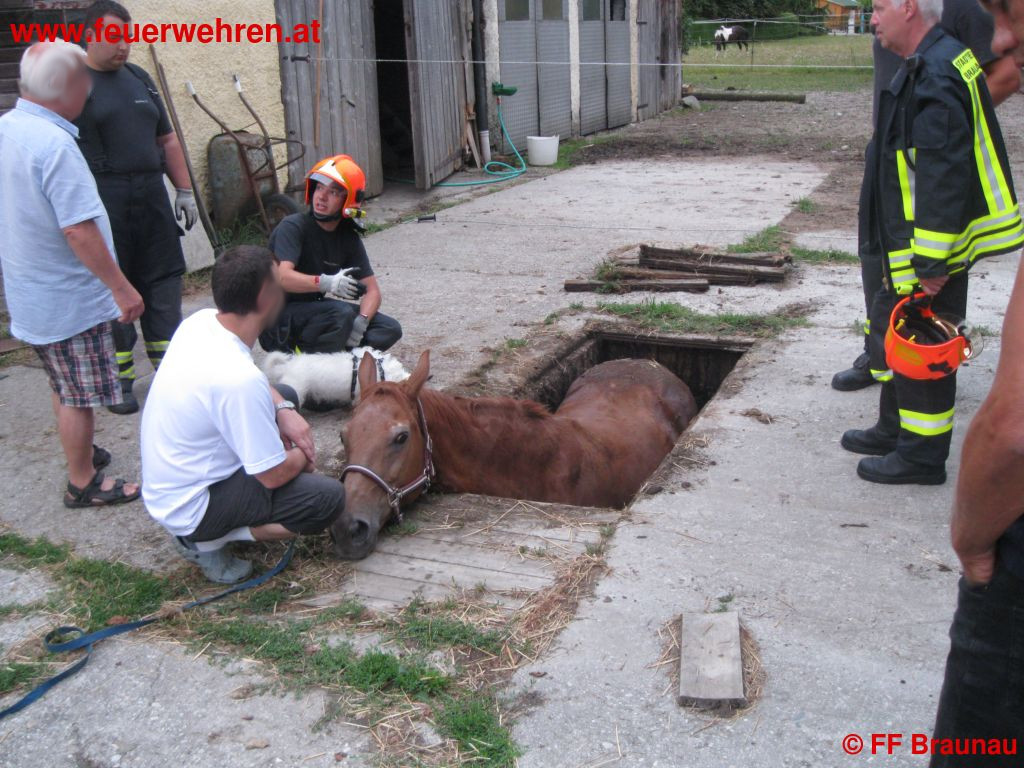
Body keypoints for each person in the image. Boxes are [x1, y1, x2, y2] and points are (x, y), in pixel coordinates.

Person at [840, 0, 1023, 484]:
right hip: (911, 241)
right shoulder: (935, 58)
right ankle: (893, 427)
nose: (873, 20)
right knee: (894, 327)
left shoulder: (937, 73)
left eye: (879, 9)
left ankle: (921, 458)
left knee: (924, 345)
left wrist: (933, 261)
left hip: (928, 250)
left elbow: (943, 173)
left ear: (908, 7)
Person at [928, 0, 1024, 760]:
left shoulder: (937, 64)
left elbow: (1014, 430)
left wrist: (970, 534)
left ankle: (915, 446)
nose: (1001, 39)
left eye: (1016, 12)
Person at [141, 246, 345, 583]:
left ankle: (214, 527)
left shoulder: (203, 322)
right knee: (326, 499)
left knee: (289, 396)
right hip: (193, 506)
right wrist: (302, 455)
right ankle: (210, 540)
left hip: (170, 485)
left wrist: (283, 409)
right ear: (266, 297)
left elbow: (253, 380)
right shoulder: (239, 380)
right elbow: (273, 476)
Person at [0, 41, 144, 507]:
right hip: (66, 300)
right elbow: (79, 231)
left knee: (61, 382)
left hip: (30, 292)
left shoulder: (8, 128)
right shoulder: (55, 144)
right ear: (64, 87)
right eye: (83, 79)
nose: (90, 88)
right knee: (79, 394)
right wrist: (121, 288)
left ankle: (79, 450)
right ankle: (83, 482)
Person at [76, 1, 197, 415]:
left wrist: (183, 190)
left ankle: (168, 374)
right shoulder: (74, 84)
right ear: (90, 35)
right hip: (103, 199)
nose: (123, 45)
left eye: (127, 36)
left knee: (163, 286)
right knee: (115, 291)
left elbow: (167, 140)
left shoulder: (139, 79)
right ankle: (119, 380)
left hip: (151, 198)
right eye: (114, 37)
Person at [260, 154, 402, 355]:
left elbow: (373, 291)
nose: (322, 197)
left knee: (389, 329)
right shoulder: (293, 226)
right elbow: (282, 277)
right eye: (319, 188)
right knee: (341, 314)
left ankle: (336, 355)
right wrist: (325, 283)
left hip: (314, 314)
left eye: (333, 192)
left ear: (348, 201)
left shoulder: (347, 238)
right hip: (277, 320)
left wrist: (361, 323)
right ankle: (309, 365)